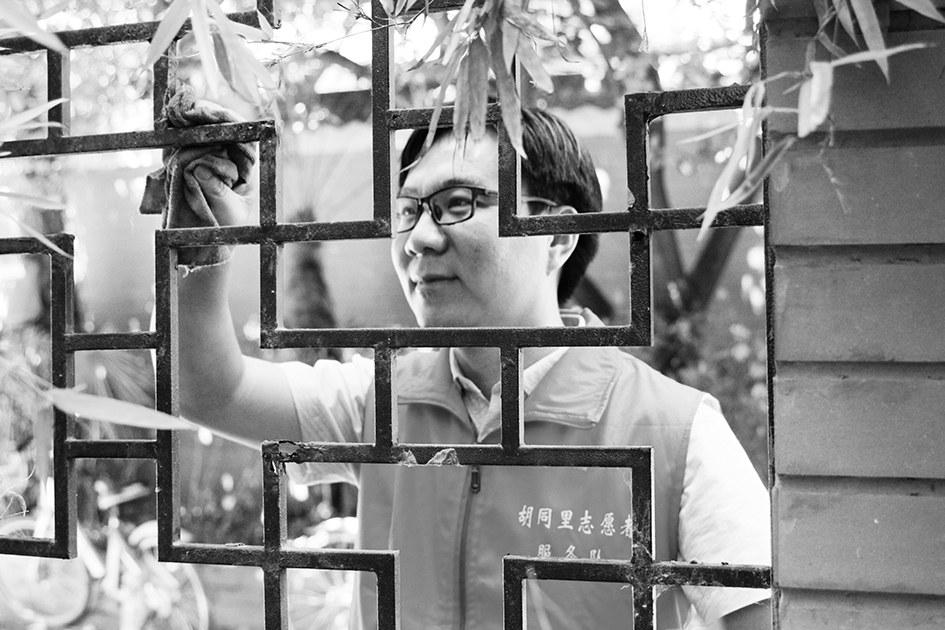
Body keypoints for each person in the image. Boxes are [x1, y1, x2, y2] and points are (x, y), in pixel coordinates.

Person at [170, 107, 771, 630]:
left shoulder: (676, 431)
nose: (419, 238)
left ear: (558, 235)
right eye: (408, 211)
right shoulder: (381, 401)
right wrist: (202, 237)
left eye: (457, 204)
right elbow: (212, 392)